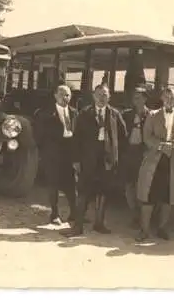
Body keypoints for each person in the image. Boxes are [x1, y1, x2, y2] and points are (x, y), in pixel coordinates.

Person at [61, 84, 128, 237]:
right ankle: (77, 226)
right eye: (99, 94)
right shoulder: (84, 114)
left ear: (109, 97)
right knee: (83, 192)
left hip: (107, 161)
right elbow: (75, 139)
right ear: (93, 96)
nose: (101, 98)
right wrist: (76, 160)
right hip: (88, 160)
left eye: (105, 95)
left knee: (103, 192)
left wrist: (117, 157)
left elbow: (124, 138)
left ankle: (99, 223)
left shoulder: (115, 115)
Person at [136, 87, 174, 242]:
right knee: (148, 197)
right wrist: (160, 145)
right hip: (154, 161)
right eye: (166, 97)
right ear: (161, 98)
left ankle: (162, 228)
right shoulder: (153, 116)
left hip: (172, 162)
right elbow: (146, 136)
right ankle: (144, 230)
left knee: (169, 197)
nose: (169, 100)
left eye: (172, 97)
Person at [35, 84, 78, 224]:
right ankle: (54, 214)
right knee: (53, 184)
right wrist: (45, 153)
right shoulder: (45, 114)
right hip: (52, 154)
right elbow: (39, 136)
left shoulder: (74, 113)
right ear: (55, 95)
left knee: (71, 184)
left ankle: (74, 213)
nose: (65, 98)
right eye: (62, 94)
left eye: (68, 95)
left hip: (69, 152)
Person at [120, 84, 151, 229]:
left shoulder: (151, 115)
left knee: (141, 186)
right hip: (129, 153)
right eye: (134, 98)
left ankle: (141, 216)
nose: (136, 100)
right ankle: (134, 214)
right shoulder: (126, 114)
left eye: (139, 98)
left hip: (143, 154)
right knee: (128, 186)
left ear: (145, 99)